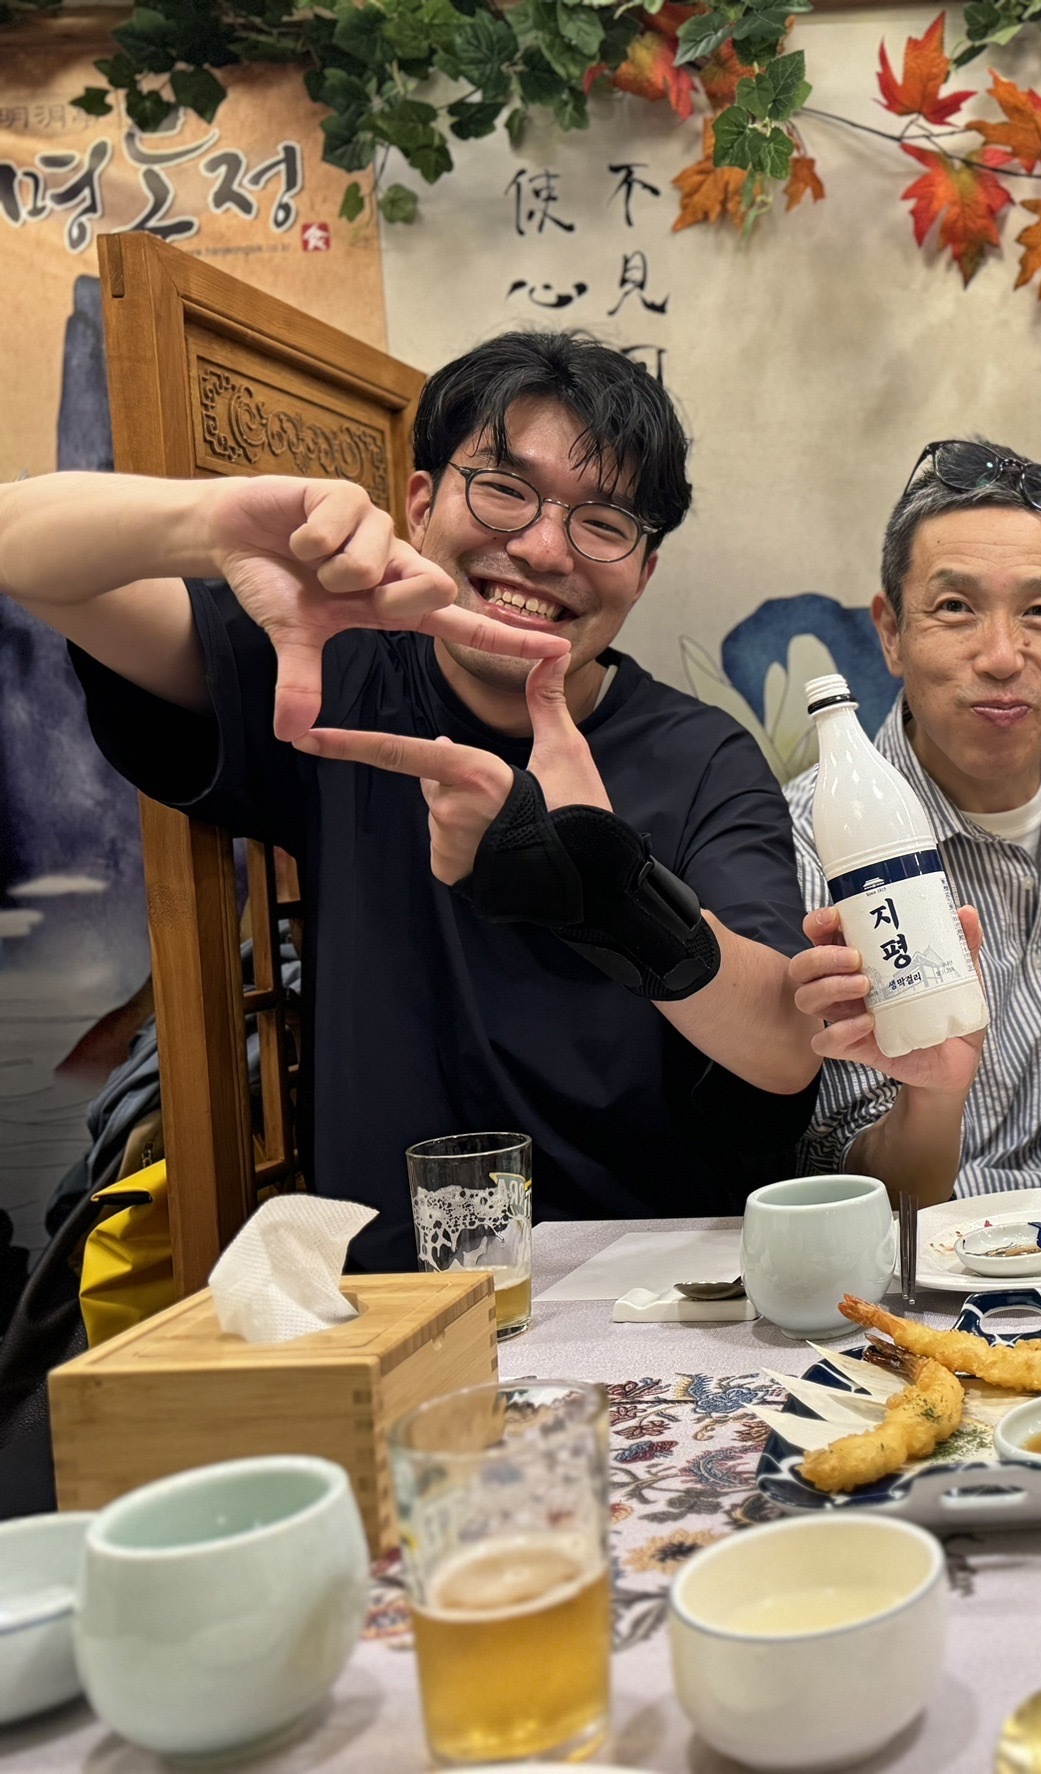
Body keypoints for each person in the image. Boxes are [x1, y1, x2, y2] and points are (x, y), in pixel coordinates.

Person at [0, 331, 823, 1269]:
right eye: (504, 489)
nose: (542, 548)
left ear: (644, 570)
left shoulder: (704, 756)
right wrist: (212, 522)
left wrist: (601, 883)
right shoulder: (332, 666)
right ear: (422, 504)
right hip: (391, 1298)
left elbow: (783, 1047)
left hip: (647, 1285)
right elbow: (18, 547)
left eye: (603, 523)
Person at [786, 440, 1041, 1206]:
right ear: (890, 633)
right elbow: (860, 1191)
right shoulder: (812, 836)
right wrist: (933, 1096)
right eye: (955, 607)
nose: (1001, 656)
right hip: (925, 1245)